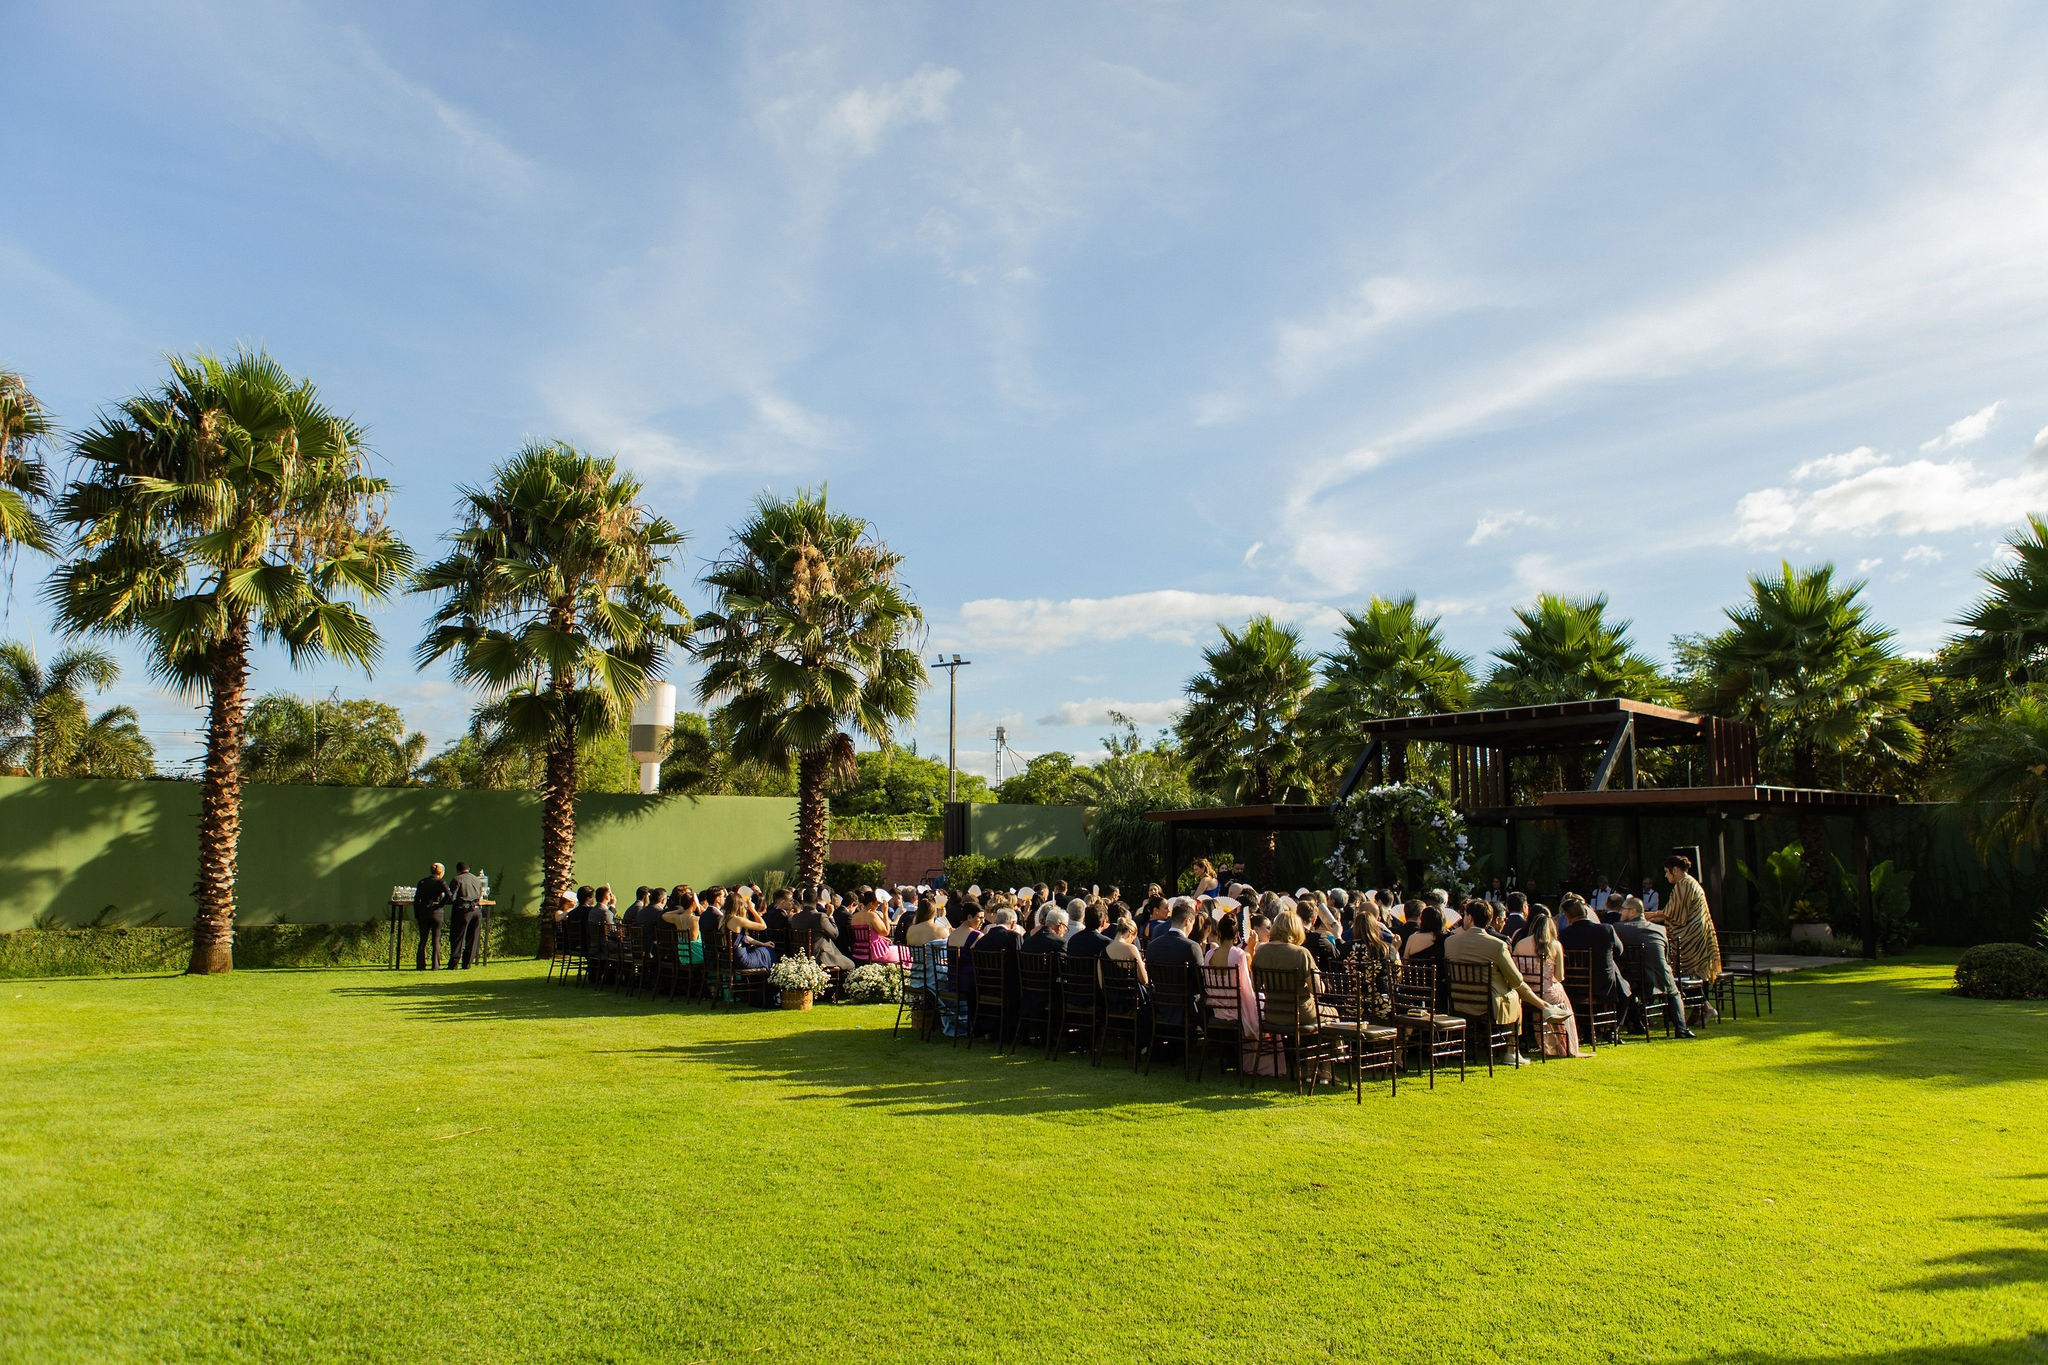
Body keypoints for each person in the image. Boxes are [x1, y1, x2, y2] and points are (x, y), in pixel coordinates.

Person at [1443, 900, 1566, 1065]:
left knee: (1514, 991)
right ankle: (1512, 1049)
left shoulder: (1450, 942)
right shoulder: (1497, 945)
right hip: (1488, 1004)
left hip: (1457, 1001)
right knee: (1516, 994)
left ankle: (1545, 1008)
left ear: (1470, 918)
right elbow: (1516, 980)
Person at [1558, 893, 1638, 1041]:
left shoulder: (1563, 935)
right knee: (1625, 992)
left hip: (1573, 986)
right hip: (1603, 985)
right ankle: (1613, 1030)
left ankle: (1587, 1031)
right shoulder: (1605, 930)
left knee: (1619, 981)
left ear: (1568, 918)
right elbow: (1619, 951)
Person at [1617, 895, 1696, 1038]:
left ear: (1633, 911)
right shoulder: (1660, 929)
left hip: (1632, 979)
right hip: (1660, 975)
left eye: (1624, 909)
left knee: (1629, 990)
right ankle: (1681, 1027)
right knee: (1674, 993)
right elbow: (1666, 956)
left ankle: (1637, 1024)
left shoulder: (1618, 929)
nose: (1621, 912)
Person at [1511, 905, 1581, 1058]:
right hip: (1546, 993)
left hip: (1526, 993)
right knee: (1560, 992)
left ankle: (1546, 1043)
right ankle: (1564, 1044)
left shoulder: (1521, 944)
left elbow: (1515, 971)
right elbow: (1560, 976)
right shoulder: (1555, 945)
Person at [1652, 854, 1722, 996]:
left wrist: (1643, 916)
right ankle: (1701, 1007)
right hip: (1697, 935)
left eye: (1667, 871)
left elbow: (1671, 914)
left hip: (1692, 938)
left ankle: (1701, 1006)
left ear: (1675, 870)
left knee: (1690, 971)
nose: (1666, 876)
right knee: (1696, 972)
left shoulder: (1684, 884)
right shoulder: (1689, 883)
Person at [448, 861, 486, 969]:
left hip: (463, 910)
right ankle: (467, 963)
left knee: (458, 937)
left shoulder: (457, 879)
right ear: (468, 869)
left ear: (458, 870)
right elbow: (481, 894)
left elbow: (452, 897)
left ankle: (454, 963)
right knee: (473, 937)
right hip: (477, 910)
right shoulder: (477, 879)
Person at [413, 862, 449, 971]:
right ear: (441, 872)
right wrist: (440, 904)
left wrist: (417, 913)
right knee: (436, 939)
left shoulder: (422, 882)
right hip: (436, 912)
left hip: (424, 911)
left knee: (423, 939)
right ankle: (435, 965)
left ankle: (420, 965)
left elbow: (416, 900)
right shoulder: (441, 882)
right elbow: (449, 896)